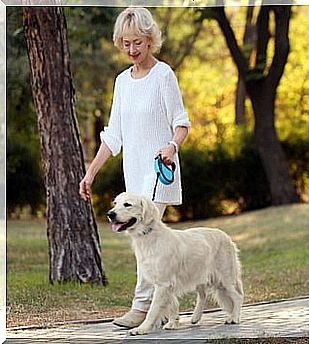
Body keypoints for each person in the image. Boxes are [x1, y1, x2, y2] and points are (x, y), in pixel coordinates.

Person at [79, 7, 191, 328]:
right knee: (145, 243)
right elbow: (113, 137)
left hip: (159, 171)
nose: (131, 50)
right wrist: (91, 172)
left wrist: (172, 145)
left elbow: (181, 123)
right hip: (134, 178)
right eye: (126, 43)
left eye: (137, 43)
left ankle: (142, 308)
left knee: (145, 239)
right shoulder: (122, 82)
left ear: (150, 39)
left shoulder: (163, 75)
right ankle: (166, 308)